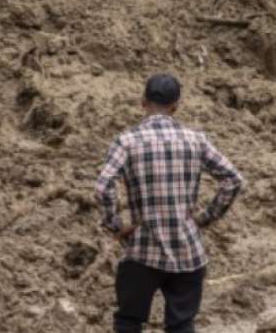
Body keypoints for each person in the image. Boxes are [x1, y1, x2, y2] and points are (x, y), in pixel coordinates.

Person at [94, 73, 245, 333]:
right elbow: (233, 179)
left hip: (143, 250)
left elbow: (103, 186)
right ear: (176, 106)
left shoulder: (127, 141)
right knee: (182, 325)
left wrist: (115, 225)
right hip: (188, 252)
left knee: (128, 322)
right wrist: (204, 218)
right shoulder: (197, 139)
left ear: (143, 102)